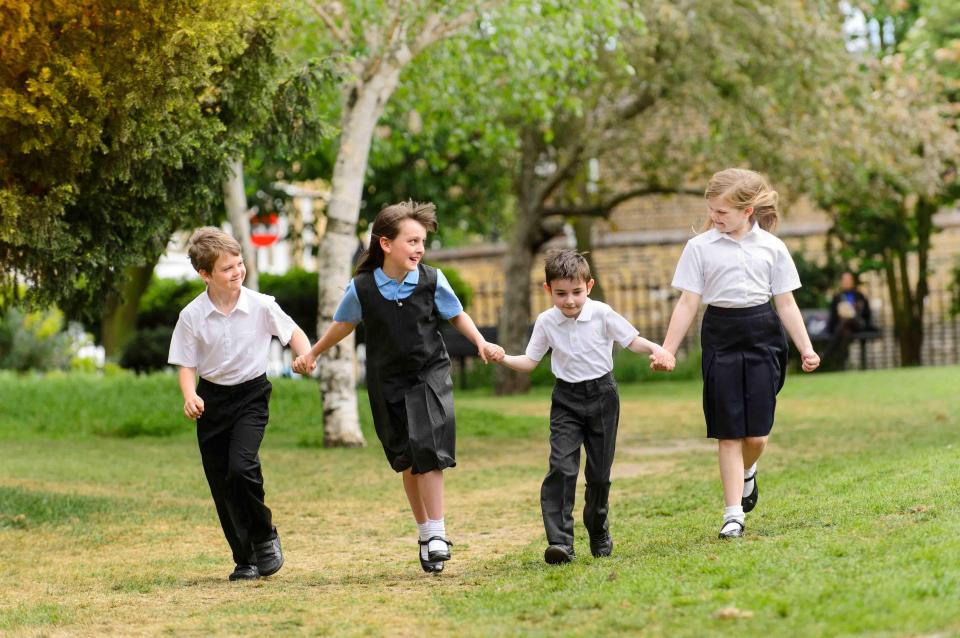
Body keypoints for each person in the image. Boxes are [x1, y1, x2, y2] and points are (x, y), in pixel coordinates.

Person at [292, 201, 503, 574]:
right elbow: (343, 324)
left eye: (422, 241)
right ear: (386, 244)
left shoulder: (432, 280)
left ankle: (438, 531)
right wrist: (314, 353)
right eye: (412, 241)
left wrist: (480, 343)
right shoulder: (361, 288)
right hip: (386, 380)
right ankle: (425, 534)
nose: (419, 249)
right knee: (407, 458)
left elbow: (455, 314)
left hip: (428, 373)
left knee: (429, 447)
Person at [654, 168, 820, 539]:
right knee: (729, 431)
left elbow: (787, 304)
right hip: (721, 335)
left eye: (723, 212)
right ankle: (733, 514)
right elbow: (687, 303)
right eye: (712, 210)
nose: (715, 217)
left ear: (748, 211)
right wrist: (668, 349)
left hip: (763, 334)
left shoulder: (772, 248)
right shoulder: (699, 248)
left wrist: (806, 348)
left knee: (757, 435)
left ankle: (748, 472)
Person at [494, 249, 673, 564]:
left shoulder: (602, 313)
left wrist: (657, 349)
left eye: (576, 292)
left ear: (589, 286)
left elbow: (632, 341)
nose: (569, 301)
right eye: (561, 294)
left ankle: (598, 526)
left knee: (599, 474)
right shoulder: (547, 322)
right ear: (548, 290)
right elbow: (530, 361)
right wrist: (502, 357)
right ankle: (561, 542)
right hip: (566, 400)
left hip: (603, 396)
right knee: (562, 467)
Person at [168, 227, 312, 581]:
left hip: (251, 395)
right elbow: (186, 364)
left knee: (242, 467)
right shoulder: (192, 316)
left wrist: (306, 355)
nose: (237, 272)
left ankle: (265, 536)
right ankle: (244, 558)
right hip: (212, 401)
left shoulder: (261, 304)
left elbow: (293, 333)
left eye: (239, 264)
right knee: (221, 482)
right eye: (227, 268)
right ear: (205, 274)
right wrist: (190, 395)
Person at [823, 271, 874, 370]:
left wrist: (857, 309)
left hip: (858, 325)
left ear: (853, 281)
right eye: (844, 280)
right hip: (844, 328)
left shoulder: (860, 296)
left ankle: (827, 352)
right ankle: (842, 365)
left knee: (847, 320)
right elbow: (833, 316)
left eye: (849, 279)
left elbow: (866, 314)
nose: (846, 282)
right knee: (846, 332)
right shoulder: (837, 297)